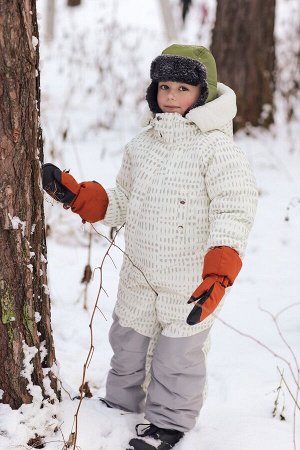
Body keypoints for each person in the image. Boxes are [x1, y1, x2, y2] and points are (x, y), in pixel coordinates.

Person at [43, 44, 258, 450]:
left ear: (204, 94)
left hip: (189, 281)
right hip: (140, 273)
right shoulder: (141, 146)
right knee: (127, 345)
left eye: (183, 88)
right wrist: (79, 196)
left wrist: (218, 274)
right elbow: (122, 200)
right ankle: (120, 408)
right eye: (164, 86)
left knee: (178, 358)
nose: (172, 97)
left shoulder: (219, 152)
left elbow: (234, 213)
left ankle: (168, 424)